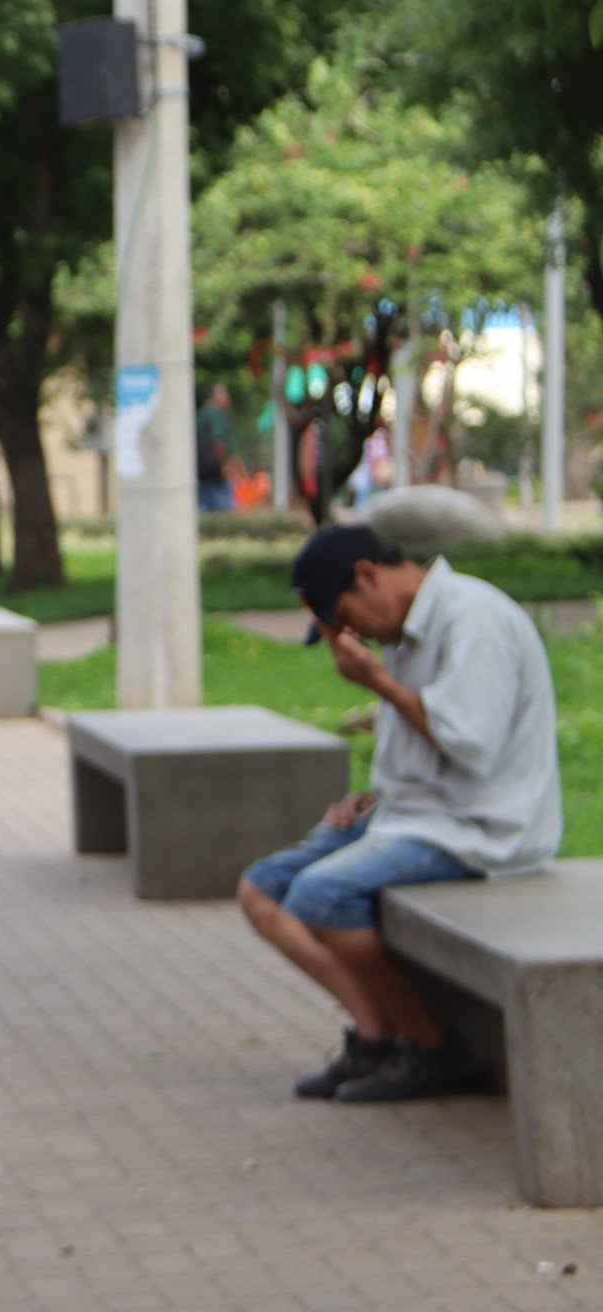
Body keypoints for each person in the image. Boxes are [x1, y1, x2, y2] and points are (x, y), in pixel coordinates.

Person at [237, 525, 561, 1102]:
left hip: (478, 825)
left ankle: (434, 1048)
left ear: (367, 574)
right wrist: (374, 795)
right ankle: (376, 1034)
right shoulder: (407, 633)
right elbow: (417, 745)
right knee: (261, 892)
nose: (354, 634)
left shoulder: (472, 619)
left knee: (320, 896)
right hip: (410, 815)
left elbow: (470, 746)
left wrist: (382, 684)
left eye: (346, 617)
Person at [196, 383, 237, 513]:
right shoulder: (214, 414)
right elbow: (218, 442)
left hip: (202, 470)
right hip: (215, 471)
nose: (227, 397)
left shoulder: (202, 413)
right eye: (223, 393)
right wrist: (224, 465)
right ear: (213, 396)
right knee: (225, 512)